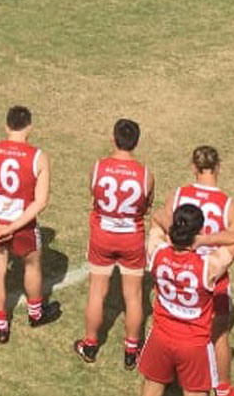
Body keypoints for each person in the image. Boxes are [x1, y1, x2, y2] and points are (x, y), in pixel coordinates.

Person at [159, 146, 234, 396]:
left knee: (177, 325)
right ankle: (223, 387)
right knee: (218, 333)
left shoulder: (178, 195)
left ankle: (170, 373)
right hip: (213, 276)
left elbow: (164, 224)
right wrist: (206, 242)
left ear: (194, 167)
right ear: (218, 167)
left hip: (180, 271)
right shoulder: (229, 204)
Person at [0, 105, 61, 343]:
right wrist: (12, 227)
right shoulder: (38, 156)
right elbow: (40, 201)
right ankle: (35, 313)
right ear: (29, 126)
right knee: (32, 266)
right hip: (22, 224)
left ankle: (1, 326)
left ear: (7, 126)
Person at [76, 117, 154, 367]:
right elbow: (147, 205)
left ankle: (89, 345)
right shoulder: (145, 174)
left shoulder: (99, 167)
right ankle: (131, 350)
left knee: (97, 292)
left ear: (113, 138)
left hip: (102, 235)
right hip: (131, 236)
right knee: (133, 296)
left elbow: (93, 195)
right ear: (136, 142)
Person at [137, 205, 234, 396]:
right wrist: (203, 240)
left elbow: (157, 215)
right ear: (198, 231)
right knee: (196, 391)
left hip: (161, 334)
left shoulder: (157, 252)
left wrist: (176, 231)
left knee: (153, 385)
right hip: (194, 342)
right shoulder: (208, 267)